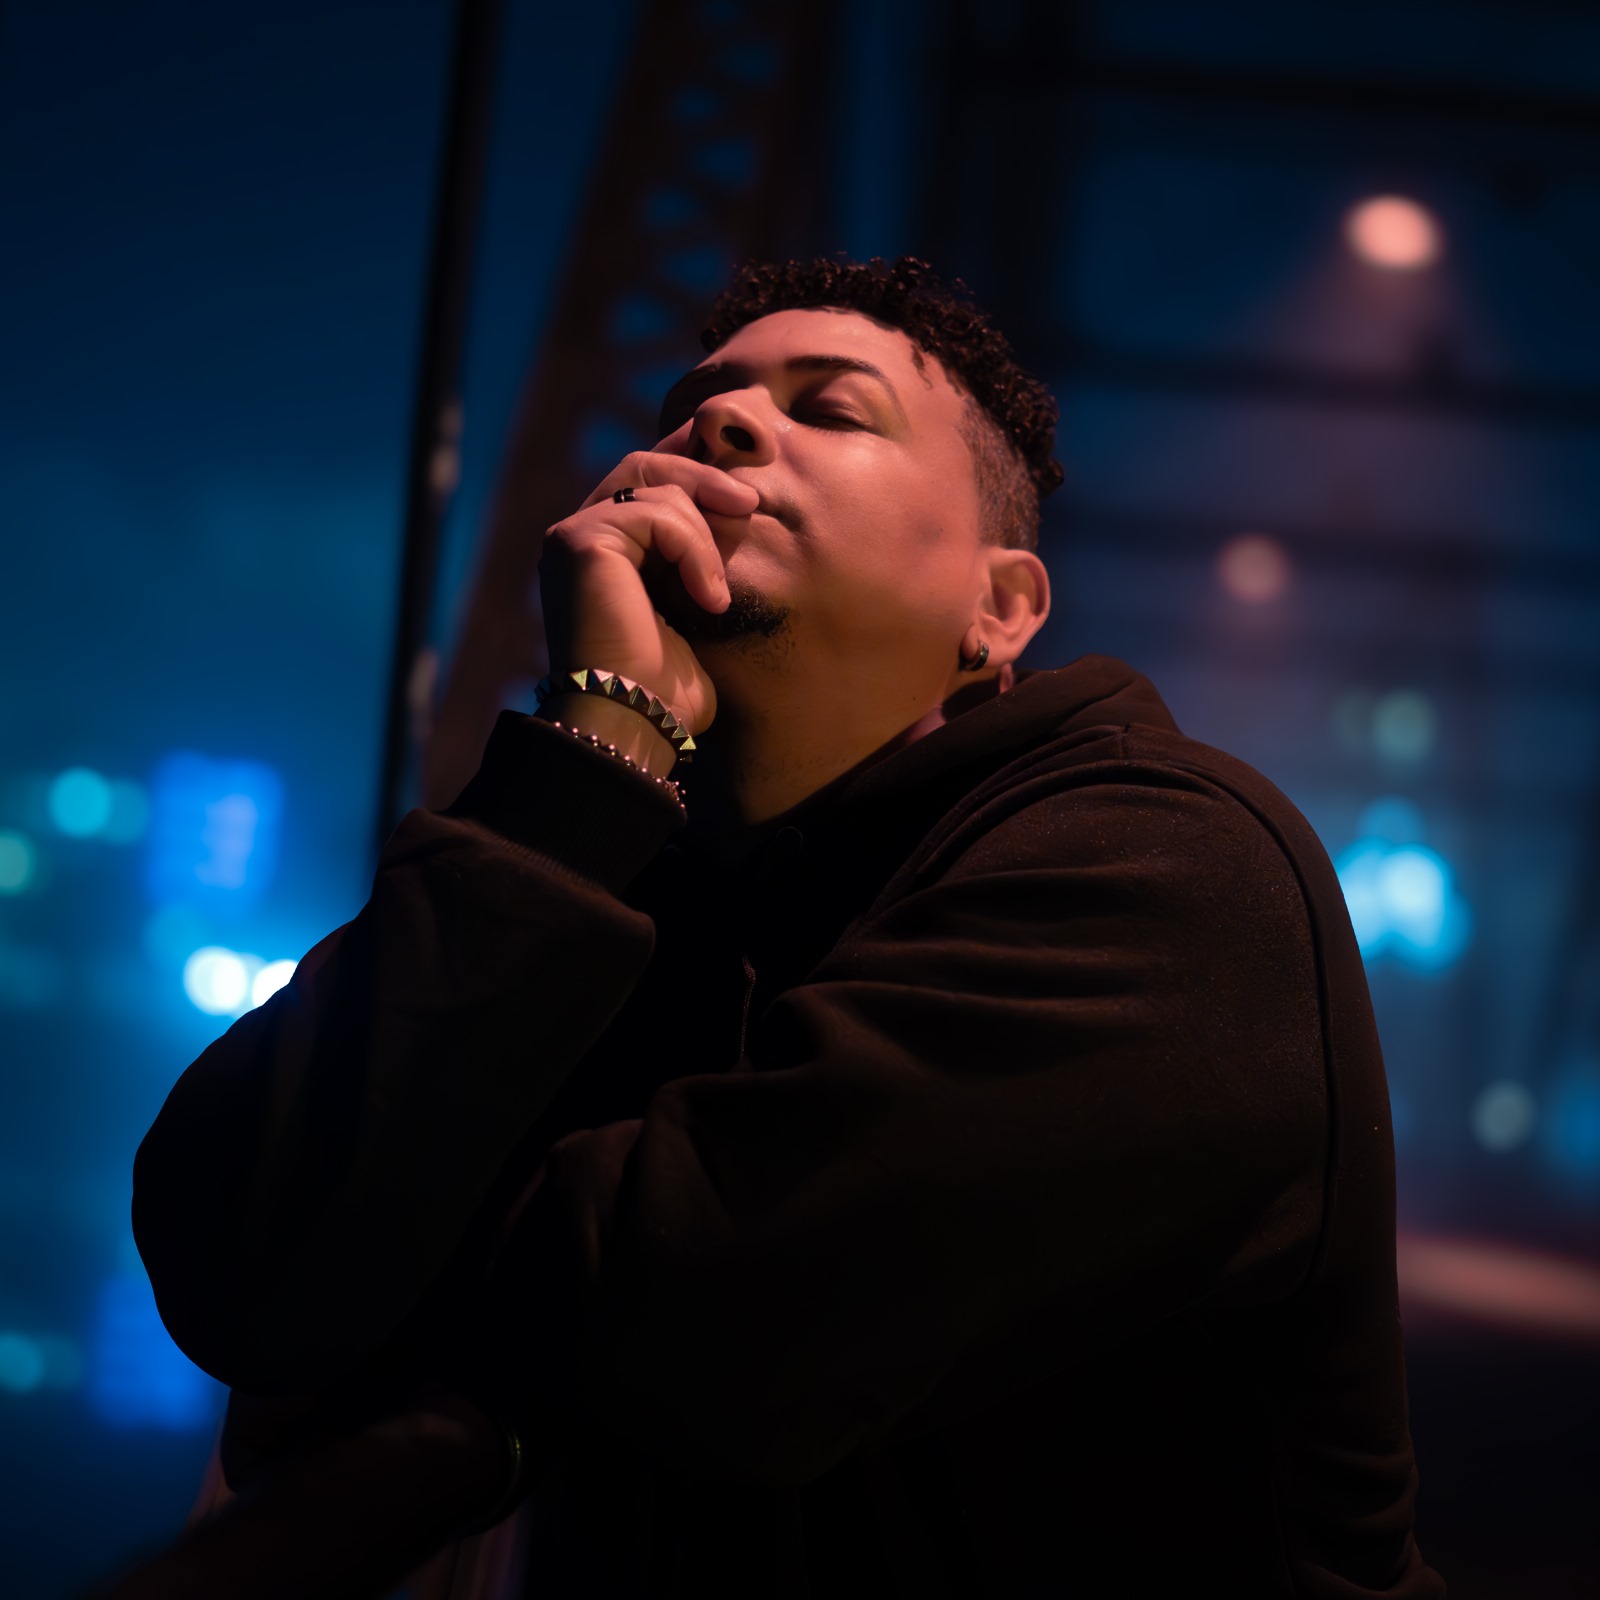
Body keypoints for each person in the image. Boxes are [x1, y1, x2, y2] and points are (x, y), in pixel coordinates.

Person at [132, 257, 1443, 1597]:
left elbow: (699, 1324)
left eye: (833, 409)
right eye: (692, 406)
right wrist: (591, 752)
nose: (718, 423)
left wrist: (396, 1248)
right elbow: (239, 1254)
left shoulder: (1168, 866)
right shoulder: (635, 877)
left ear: (999, 609)